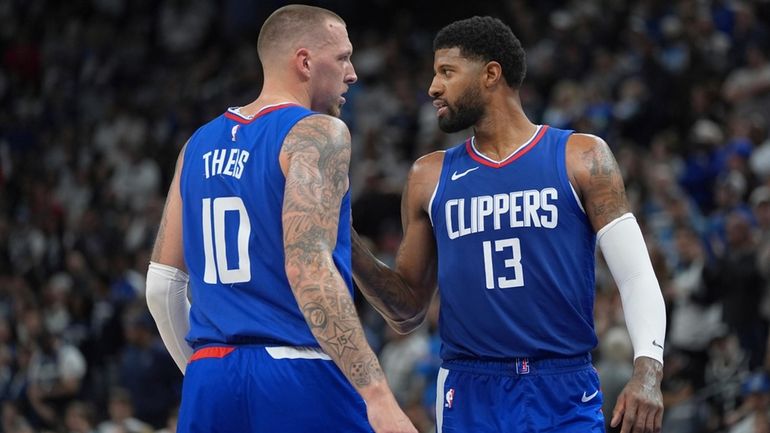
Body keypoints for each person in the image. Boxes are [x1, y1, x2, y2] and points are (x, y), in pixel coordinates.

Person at [352, 16, 666, 433]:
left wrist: (648, 368)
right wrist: (344, 241)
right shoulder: (428, 176)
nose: (433, 87)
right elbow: (407, 311)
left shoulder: (582, 156)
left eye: (446, 72)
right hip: (469, 387)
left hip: (564, 385)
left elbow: (635, 275)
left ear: (491, 74)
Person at [144, 5, 416, 433]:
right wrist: (377, 395)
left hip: (210, 377)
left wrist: (200, 371)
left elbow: (162, 287)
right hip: (298, 372)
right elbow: (308, 268)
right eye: (343, 58)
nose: (353, 74)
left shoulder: (196, 146)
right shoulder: (317, 133)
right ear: (305, 62)